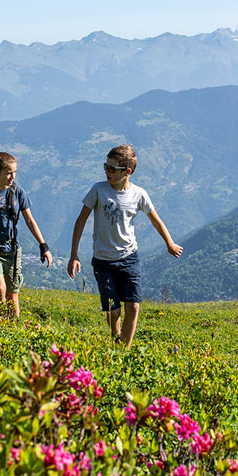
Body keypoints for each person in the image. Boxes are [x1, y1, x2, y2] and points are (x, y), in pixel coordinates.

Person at [67, 144, 182, 348]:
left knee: (134, 306)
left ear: (127, 172)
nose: (106, 172)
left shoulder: (139, 194)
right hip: (103, 260)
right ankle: (115, 336)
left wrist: (169, 243)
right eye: (106, 167)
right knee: (113, 308)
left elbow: (156, 220)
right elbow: (80, 220)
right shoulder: (98, 190)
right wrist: (74, 254)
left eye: (112, 169)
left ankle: (124, 350)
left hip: (129, 257)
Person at [0, 151, 52, 318]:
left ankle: (11, 329)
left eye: (14, 172)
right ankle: (0, 325)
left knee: (12, 295)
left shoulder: (17, 192)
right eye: (8, 173)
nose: (12, 176)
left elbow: (30, 220)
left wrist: (44, 246)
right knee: (0, 288)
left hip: (12, 251)